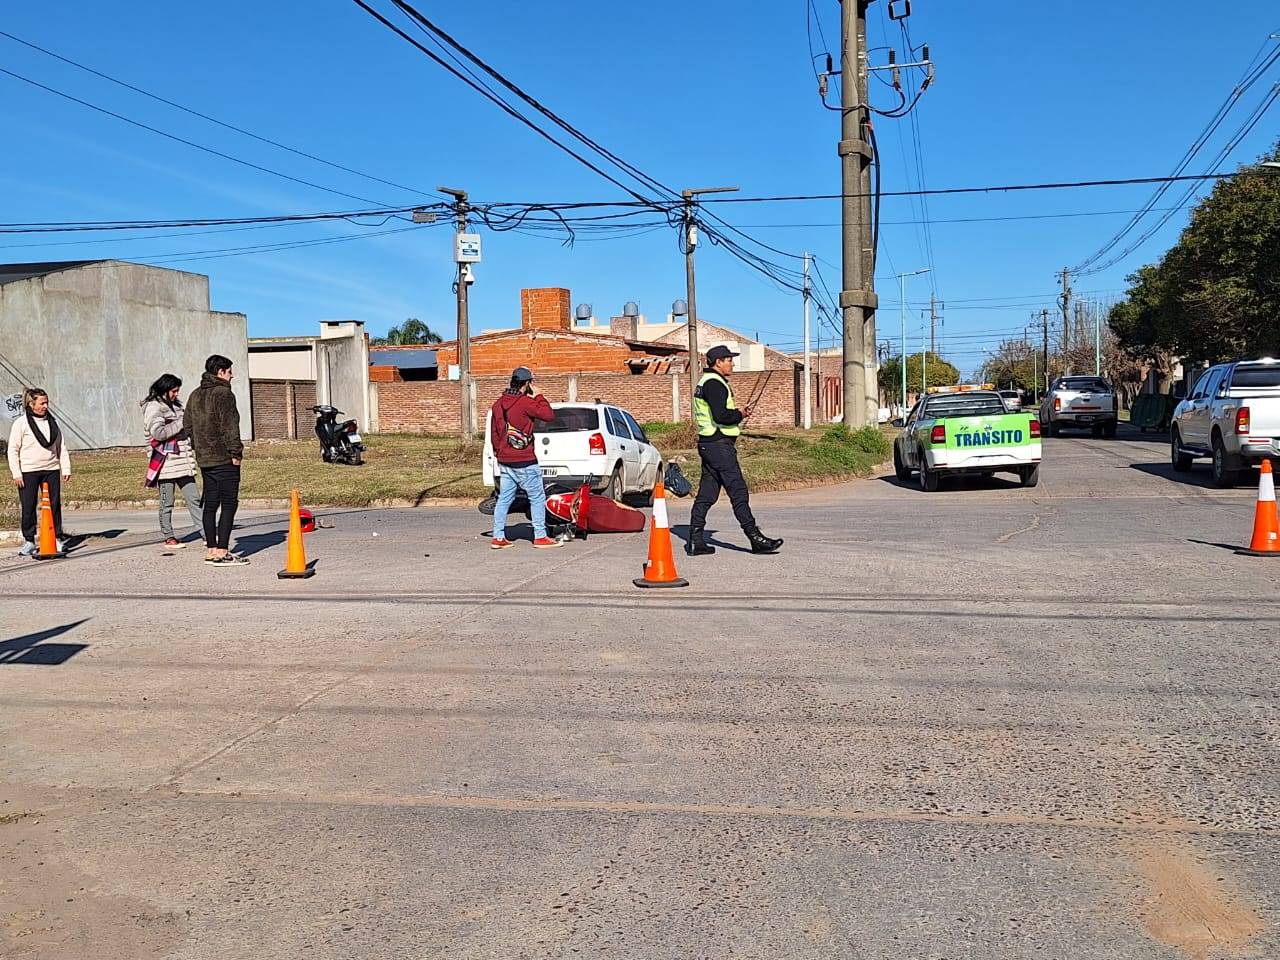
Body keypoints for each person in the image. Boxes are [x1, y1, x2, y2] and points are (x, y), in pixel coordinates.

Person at [687, 345, 784, 556]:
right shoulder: (714, 384)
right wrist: (739, 414)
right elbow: (721, 416)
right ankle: (755, 538)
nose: (732, 363)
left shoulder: (708, 382)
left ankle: (695, 540)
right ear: (718, 362)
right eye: (729, 359)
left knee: (707, 494)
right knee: (738, 491)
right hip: (719, 445)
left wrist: (738, 413)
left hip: (710, 444)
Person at [488, 366, 562, 549]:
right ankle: (540, 536)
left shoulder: (498, 404)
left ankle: (498, 537)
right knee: (536, 497)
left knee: (504, 498)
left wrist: (500, 452)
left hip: (505, 460)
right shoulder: (525, 403)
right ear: (527, 383)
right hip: (525, 459)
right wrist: (539, 396)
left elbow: (494, 433)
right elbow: (548, 415)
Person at [184, 355, 247, 566]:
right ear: (220, 372)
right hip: (223, 458)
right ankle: (222, 551)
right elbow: (230, 426)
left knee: (210, 504)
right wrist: (235, 453)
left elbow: (188, 427)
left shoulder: (194, 395)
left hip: (205, 459)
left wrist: (199, 446)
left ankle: (211, 548)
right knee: (229, 503)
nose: (232, 375)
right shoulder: (224, 394)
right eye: (229, 371)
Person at [7, 387, 70, 556]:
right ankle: (29, 540)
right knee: (28, 506)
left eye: (47, 402)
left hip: (51, 469)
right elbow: (12, 449)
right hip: (28, 471)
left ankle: (56, 537)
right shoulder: (21, 423)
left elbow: (61, 447)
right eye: (42, 403)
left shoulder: (52, 422)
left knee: (54, 505)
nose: (45, 406)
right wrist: (16, 473)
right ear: (31, 404)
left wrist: (66, 467)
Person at [142, 373, 203, 549]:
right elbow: (158, 433)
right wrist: (181, 423)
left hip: (183, 462)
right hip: (165, 463)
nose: (177, 394)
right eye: (174, 391)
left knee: (194, 499)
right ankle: (168, 536)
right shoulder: (154, 407)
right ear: (165, 390)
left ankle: (205, 533)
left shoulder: (176, 407)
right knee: (166, 501)